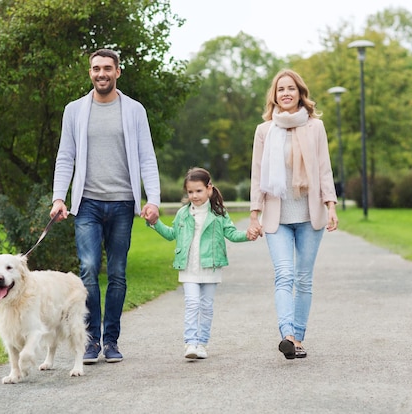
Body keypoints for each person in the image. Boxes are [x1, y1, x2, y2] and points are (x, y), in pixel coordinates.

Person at [50, 48, 160, 364]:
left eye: (107, 68)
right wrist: (59, 197)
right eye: (96, 68)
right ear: (90, 73)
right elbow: (65, 156)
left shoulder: (134, 110)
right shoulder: (74, 110)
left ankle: (110, 340)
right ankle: (89, 341)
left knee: (117, 272)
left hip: (123, 203)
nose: (102, 73)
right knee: (87, 269)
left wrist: (152, 199)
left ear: (117, 72)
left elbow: (146, 157)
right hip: (87, 204)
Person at [248, 69, 338, 360]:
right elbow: (257, 174)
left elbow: (324, 168)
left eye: (291, 88)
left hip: (310, 215)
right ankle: (287, 334)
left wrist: (331, 205)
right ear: (274, 96)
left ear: (300, 93)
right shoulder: (264, 131)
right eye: (280, 89)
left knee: (304, 279)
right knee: (284, 275)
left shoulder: (315, 127)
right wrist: (253, 213)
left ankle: (298, 339)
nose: (285, 93)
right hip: (277, 217)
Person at [149, 167, 258, 359]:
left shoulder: (218, 213)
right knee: (192, 303)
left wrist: (248, 235)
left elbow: (231, 234)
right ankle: (190, 343)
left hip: (210, 266)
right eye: (190, 192)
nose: (194, 195)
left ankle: (202, 344)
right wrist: (155, 222)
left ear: (209, 189)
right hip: (189, 266)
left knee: (206, 306)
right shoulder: (183, 214)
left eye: (198, 191)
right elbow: (171, 234)